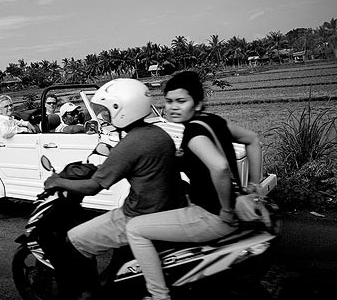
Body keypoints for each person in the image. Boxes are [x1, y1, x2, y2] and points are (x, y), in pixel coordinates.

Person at [125, 71, 264, 300]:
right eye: (168, 101)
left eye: (181, 101)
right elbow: (253, 140)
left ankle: (159, 295)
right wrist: (254, 184)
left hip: (211, 216)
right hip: (231, 209)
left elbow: (219, 167)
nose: (173, 107)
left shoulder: (193, 133)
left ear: (198, 103)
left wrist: (226, 209)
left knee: (135, 229)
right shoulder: (214, 121)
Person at [43, 79, 186, 300]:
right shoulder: (159, 134)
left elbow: (92, 187)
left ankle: (87, 292)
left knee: (74, 239)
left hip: (138, 215)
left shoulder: (132, 142)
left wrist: (56, 181)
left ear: (123, 109)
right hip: (167, 211)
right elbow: (134, 163)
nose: (105, 116)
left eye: (109, 110)